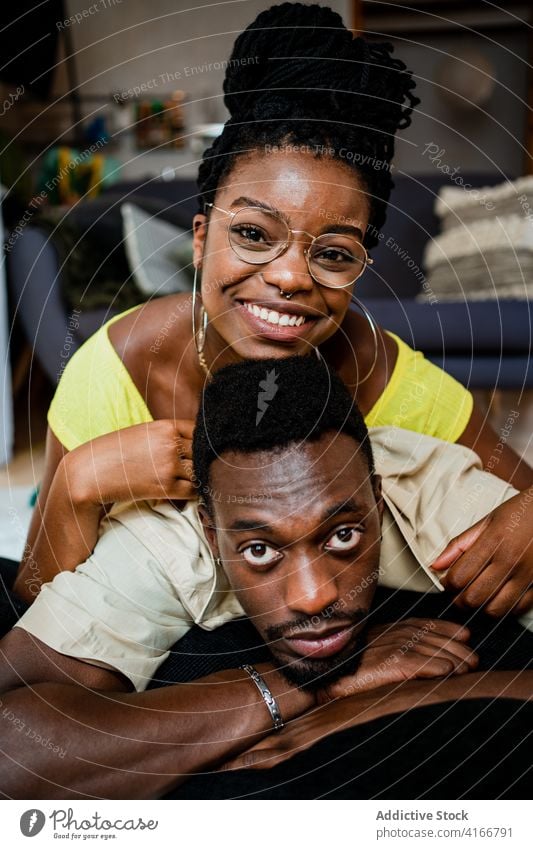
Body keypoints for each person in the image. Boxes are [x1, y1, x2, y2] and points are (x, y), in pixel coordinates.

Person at [13, 3, 533, 621]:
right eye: (255, 235)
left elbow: (520, 496)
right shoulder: (117, 371)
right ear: (201, 238)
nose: (290, 277)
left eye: (334, 252)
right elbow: (34, 606)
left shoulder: (381, 373)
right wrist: (77, 485)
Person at [2, 356, 532, 799]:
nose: (312, 595)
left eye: (342, 536)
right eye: (259, 548)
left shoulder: (442, 500)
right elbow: (13, 742)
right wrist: (311, 690)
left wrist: (419, 696)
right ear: (211, 534)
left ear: (377, 495)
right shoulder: (166, 539)